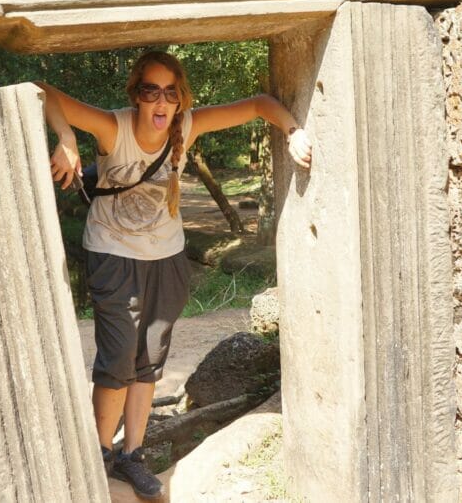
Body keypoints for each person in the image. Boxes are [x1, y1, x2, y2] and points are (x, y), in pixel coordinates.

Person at [37, 50, 311, 500]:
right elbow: (45, 91)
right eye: (151, 91)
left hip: (167, 257)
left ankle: (133, 456)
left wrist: (293, 131)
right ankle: (100, 455)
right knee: (118, 358)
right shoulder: (114, 127)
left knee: (148, 359)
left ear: (179, 97)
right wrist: (66, 135)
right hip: (113, 254)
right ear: (136, 95)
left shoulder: (187, 126)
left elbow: (261, 103)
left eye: (170, 92)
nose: (160, 102)